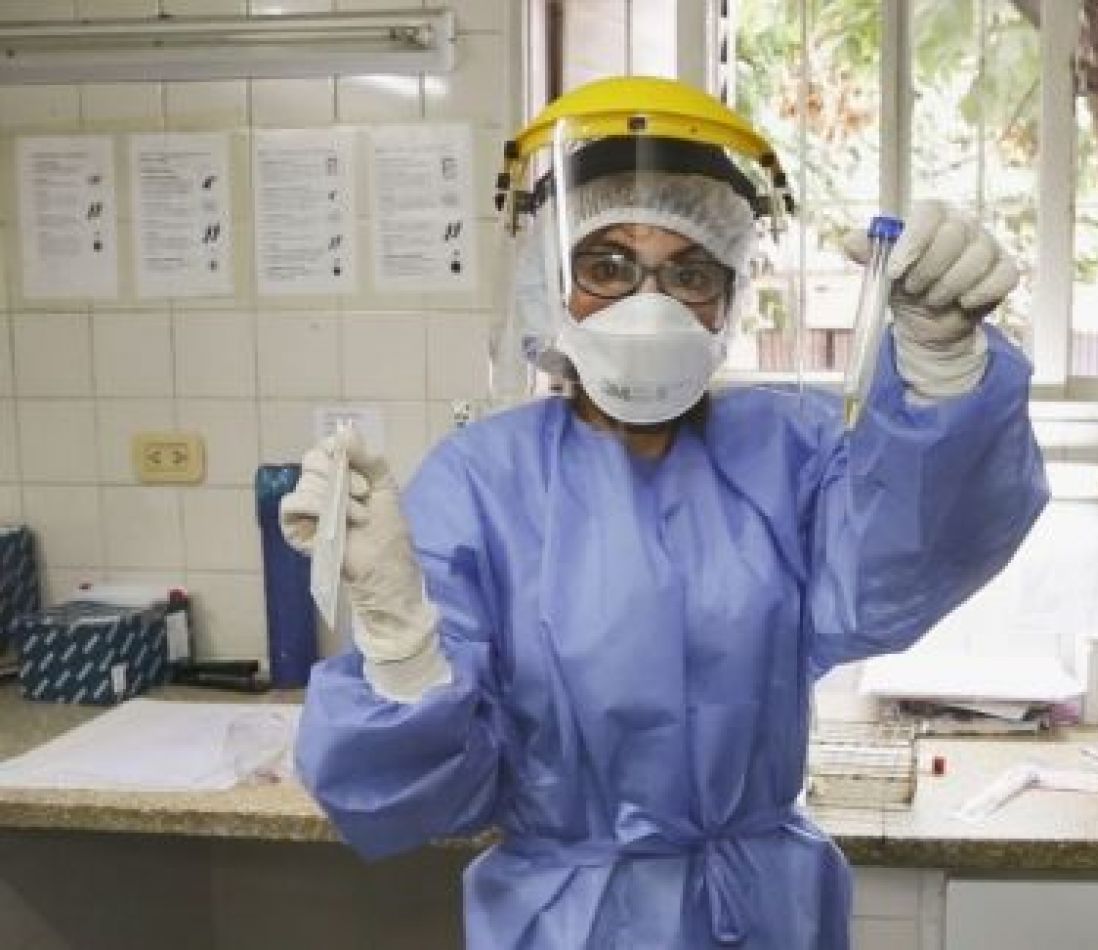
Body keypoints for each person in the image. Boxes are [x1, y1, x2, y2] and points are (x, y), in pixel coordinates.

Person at [282, 75, 1048, 949]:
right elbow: (421, 794)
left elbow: (904, 561)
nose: (648, 303)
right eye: (606, 267)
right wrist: (398, 634)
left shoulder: (787, 453)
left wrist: (942, 370)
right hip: (568, 921)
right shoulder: (482, 481)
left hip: (762, 909)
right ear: (549, 285)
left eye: (689, 272)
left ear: (727, 298)